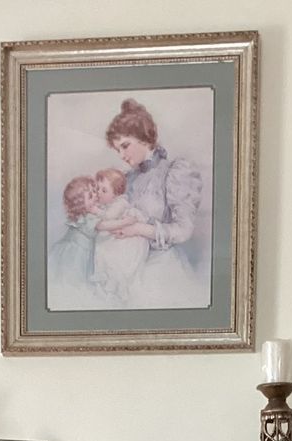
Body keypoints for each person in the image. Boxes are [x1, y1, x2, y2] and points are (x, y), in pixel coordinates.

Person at [104, 98, 206, 309]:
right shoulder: (127, 179)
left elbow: (183, 230)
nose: (122, 156)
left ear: (143, 138)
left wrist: (138, 229)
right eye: (117, 150)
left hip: (161, 270)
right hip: (128, 266)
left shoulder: (174, 171)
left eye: (125, 146)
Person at [91, 168, 149, 306]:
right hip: (116, 232)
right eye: (97, 189)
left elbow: (109, 216)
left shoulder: (120, 203)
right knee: (103, 250)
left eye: (104, 190)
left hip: (128, 238)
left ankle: (118, 288)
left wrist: (96, 210)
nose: (99, 193)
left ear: (116, 193)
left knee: (114, 258)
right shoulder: (108, 202)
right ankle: (109, 285)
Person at [46, 175, 99, 309]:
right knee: (73, 283)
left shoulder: (89, 214)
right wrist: (125, 222)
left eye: (95, 191)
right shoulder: (86, 219)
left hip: (80, 250)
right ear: (80, 204)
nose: (96, 196)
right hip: (75, 253)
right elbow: (105, 226)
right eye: (90, 196)